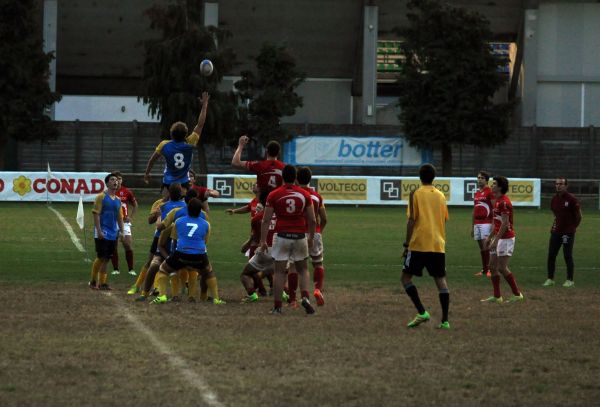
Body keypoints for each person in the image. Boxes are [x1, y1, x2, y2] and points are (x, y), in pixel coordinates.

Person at [260, 165, 316, 315]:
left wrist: (263, 241)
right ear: (296, 178)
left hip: (282, 235)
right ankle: (305, 297)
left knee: (279, 272)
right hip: (299, 235)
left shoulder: (274, 194)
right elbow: (312, 220)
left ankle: (278, 306)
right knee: (303, 269)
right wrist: (310, 237)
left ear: (282, 177)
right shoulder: (304, 194)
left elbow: (265, 220)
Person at [401, 164, 451, 330]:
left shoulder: (415, 193)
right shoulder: (441, 195)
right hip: (437, 244)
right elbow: (444, 219)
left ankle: (422, 312)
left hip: (418, 243)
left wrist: (406, 244)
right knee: (440, 281)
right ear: (434, 177)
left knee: (406, 278)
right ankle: (445, 321)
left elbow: (411, 220)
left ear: (420, 176)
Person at [153, 198, 225, 304]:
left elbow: (175, 239)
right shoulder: (206, 224)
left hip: (181, 253)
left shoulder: (178, 221)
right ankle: (216, 299)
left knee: (163, 269)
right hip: (200, 254)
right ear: (200, 211)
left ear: (187, 209)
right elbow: (204, 241)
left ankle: (162, 296)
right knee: (209, 273)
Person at [144, 92, 210, 190]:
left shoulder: (164, 145)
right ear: (186, 134)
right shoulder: (190, 143)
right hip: (183, 182)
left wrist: (147, 173)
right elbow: (200, 124)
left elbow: (152, 160)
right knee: (183, 204)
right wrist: (204, 105)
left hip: (168, 182)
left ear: (171, 133)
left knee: (165, 203)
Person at [481, 176, 524, 304]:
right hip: (498, 237)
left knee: (502, 267)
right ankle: (497, 296)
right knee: (492, 267)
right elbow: (497, 222)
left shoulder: (504, 202)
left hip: (506, 238)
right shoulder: (497, 201)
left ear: (500, 187)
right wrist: (490, 237)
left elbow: (505, 224)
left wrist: (496, 239)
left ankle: (517, 294)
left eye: (494, 184)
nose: (491, 185)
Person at [296, 167, 327, 306]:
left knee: (296, 267)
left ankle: (293, 298)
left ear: (297, 179)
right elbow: (324, 218)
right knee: (318, 263)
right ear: (310, 179)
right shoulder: (317, 196)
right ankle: (317, 289)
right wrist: (319, 232)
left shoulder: (296, 194)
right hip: (315, 233)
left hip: (299, 233)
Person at [543, 177, 582, 288]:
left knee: (567, 256)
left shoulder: (572, 199)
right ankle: (550, 279)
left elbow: (579, 216)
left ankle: (570, 280)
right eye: (556, 184)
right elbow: (555, 214)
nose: (558, 186)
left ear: (566, 186)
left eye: (561, 184)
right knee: (551, 255)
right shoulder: (554, 199)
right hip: (556, 232)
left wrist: (573, 228)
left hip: (567, 233)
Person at [89, 173, 124, 290]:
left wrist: (122, 231)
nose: (115, 182)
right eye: (112, 180)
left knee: (107, 258)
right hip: (102, 231)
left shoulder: (118, 200)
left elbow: (119, 217)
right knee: (101, 257)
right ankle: (93, 281)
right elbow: (96, 214)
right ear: (107, 183)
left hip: (113, 233)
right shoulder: (101, 197)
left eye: (116, 180)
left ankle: (103, 283)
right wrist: (98, 231)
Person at [110, 171, 138, 276]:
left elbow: (135, 204)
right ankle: (116, 269)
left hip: (124, 222)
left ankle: (131, 269)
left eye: (120, 179)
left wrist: (130, 217)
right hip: (112, 222)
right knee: (113, 246)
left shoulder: (127, 192)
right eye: (115, 179)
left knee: (127, 244)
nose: (117, 181)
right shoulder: (108, 192)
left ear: (122, 180)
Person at [472, 171, 493, 278]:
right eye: (478, 177)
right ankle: (484, 269)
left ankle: (489, 269)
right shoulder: (477, 193)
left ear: (486, 180)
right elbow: (474, 210)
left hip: (486, 223)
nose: (479, 179)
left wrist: (494, 223)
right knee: (482, 248)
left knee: (486, 246)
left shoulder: (490, 192)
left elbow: (494, 208)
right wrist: (472, 226)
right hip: (477, 223)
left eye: (482, 178)